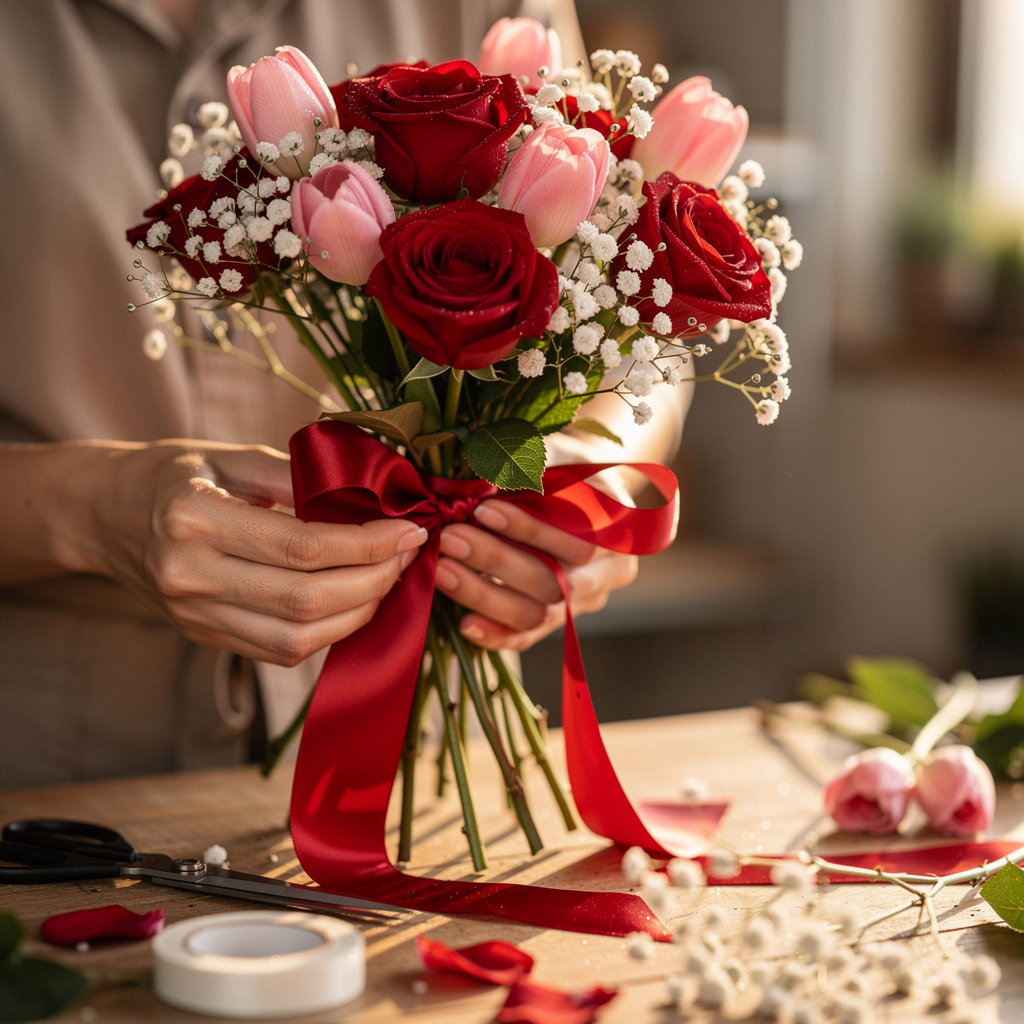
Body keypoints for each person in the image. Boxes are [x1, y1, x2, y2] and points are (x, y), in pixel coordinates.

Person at [0, 0, 687, 786]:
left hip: (411, 747)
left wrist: (579, 480)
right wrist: (89, 511)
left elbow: (624, 309)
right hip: (38, 774)